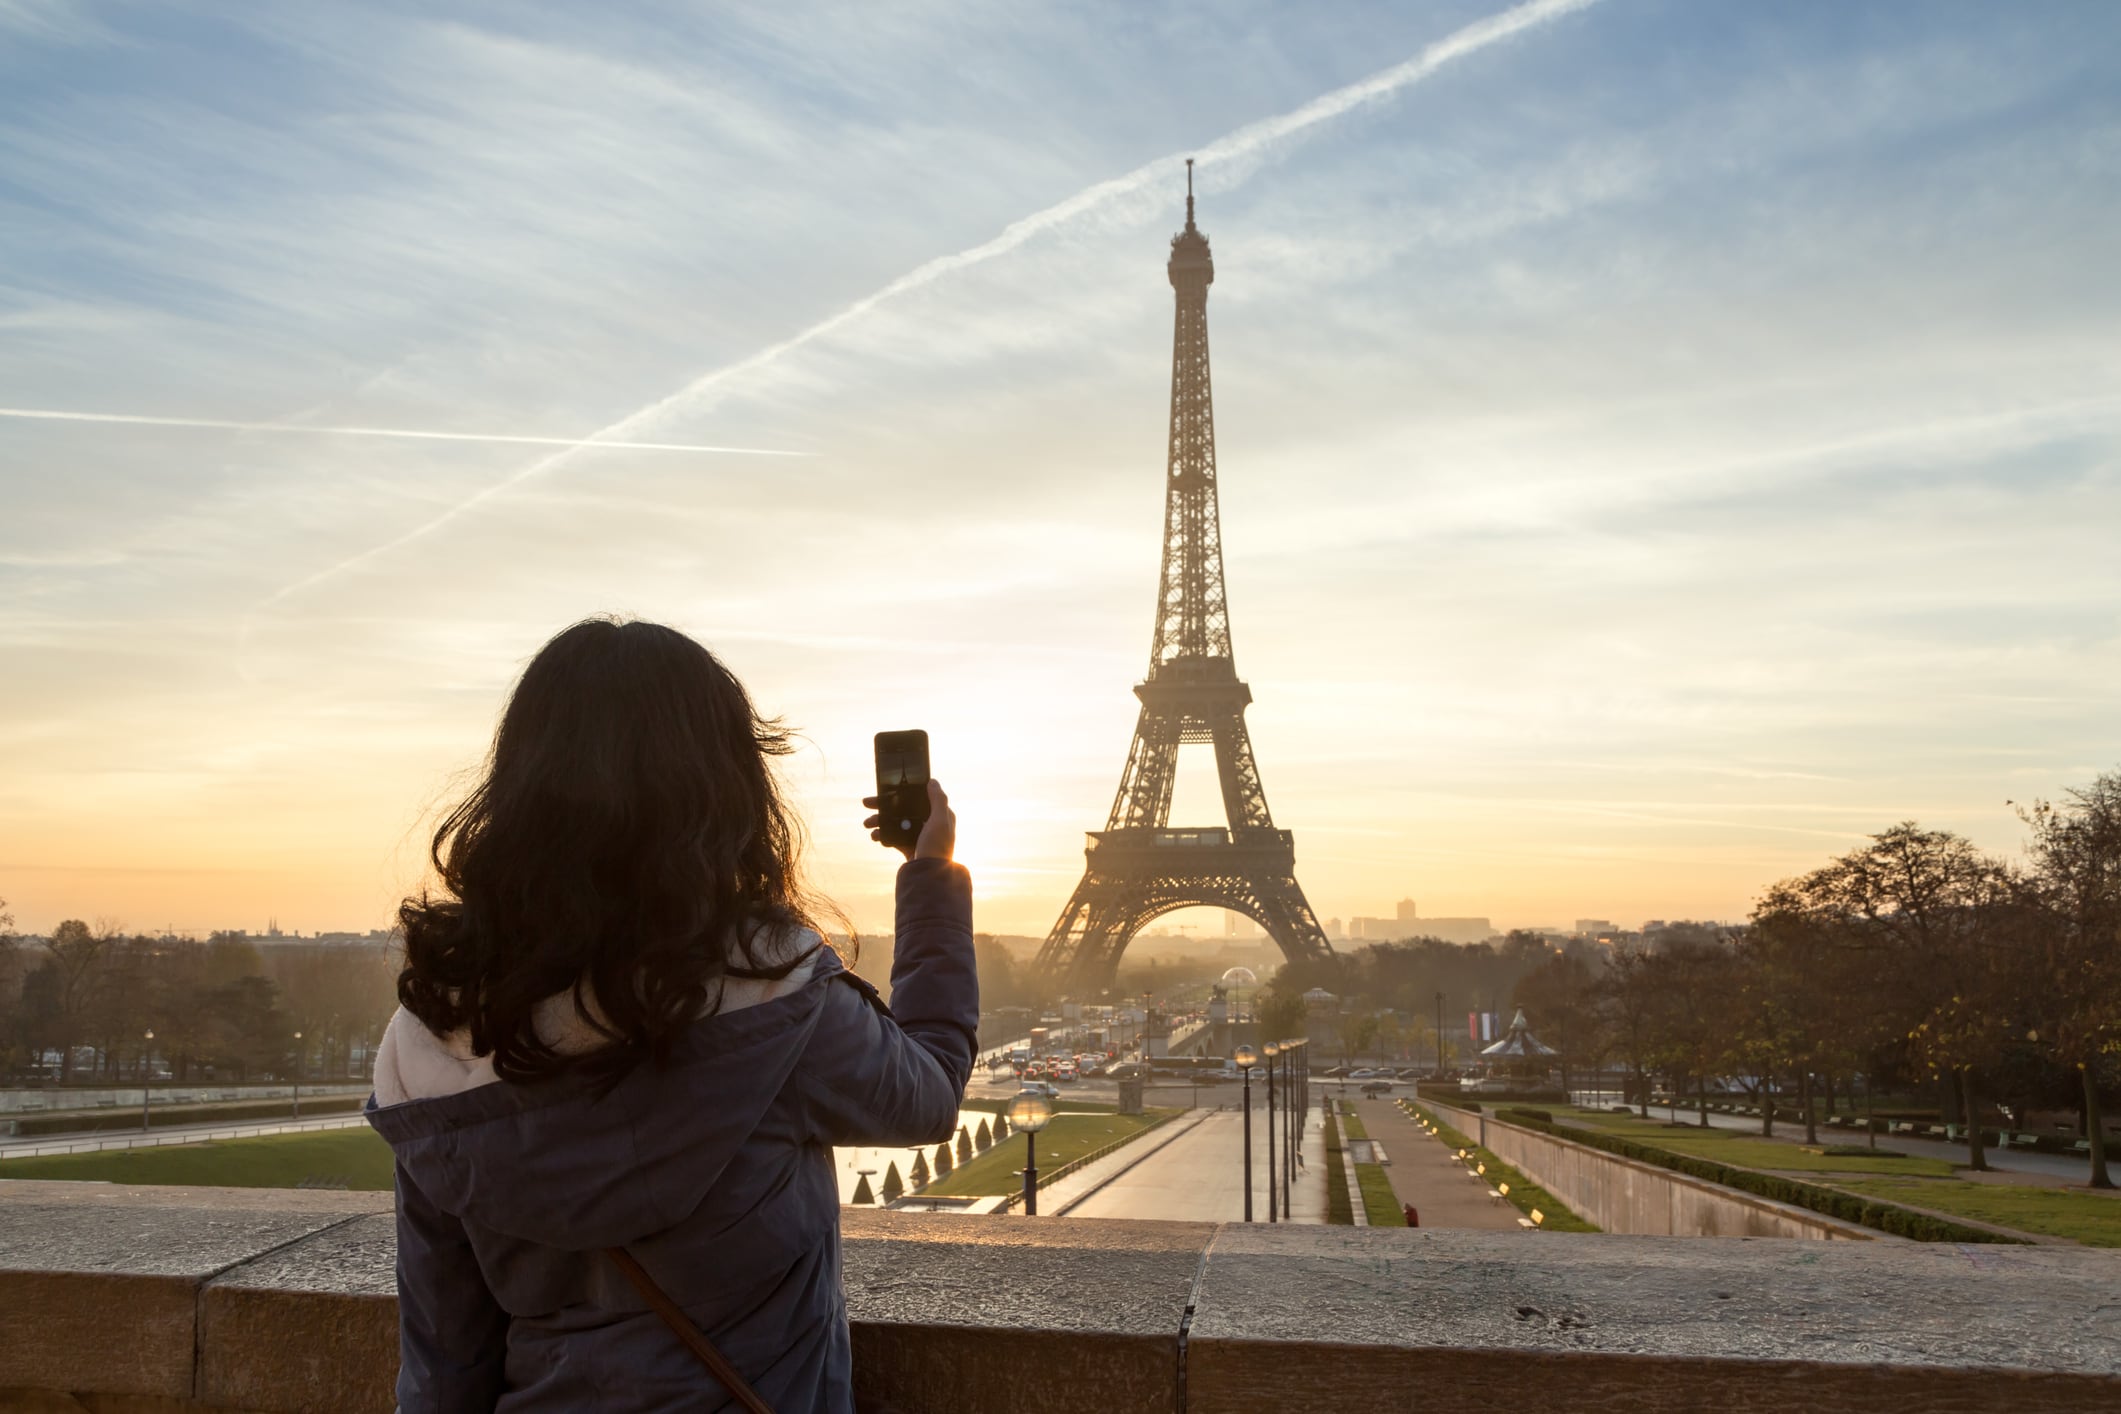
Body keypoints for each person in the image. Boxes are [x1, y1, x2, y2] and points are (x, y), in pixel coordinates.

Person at [366, 618, 977, 1412]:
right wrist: (932, 875)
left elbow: (444, 1357)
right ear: (724, 788)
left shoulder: (438, 1040)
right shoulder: (775, 998)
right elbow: (928, 1093)